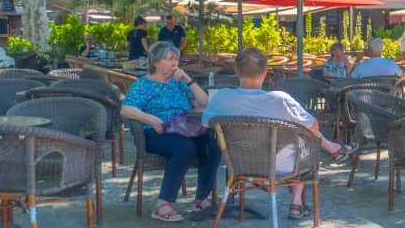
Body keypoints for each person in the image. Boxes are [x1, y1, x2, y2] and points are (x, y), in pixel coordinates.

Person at [202, 48, 352, 221]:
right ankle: (297, 203)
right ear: (266, 71)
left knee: (302, 140)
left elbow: (206, 123)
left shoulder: (222, 97)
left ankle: (333, 150)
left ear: (236, 71)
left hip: (237, 165)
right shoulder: (279, 99)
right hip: (280, 167)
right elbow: (313, 125)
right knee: (305, 142)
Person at [121, 41, 219, 222]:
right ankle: (162, 204)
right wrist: (152, 119)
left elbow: (205, 103)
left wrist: (188, 80)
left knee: (212, 144)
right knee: (185, 148)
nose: (175, 63)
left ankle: (201, 197)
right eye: (170, 59)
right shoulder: (143, 84)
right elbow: (126, 109)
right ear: (155, 62)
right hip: (155, 132)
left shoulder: (178, 83)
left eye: (176, 59)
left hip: (182, 129)